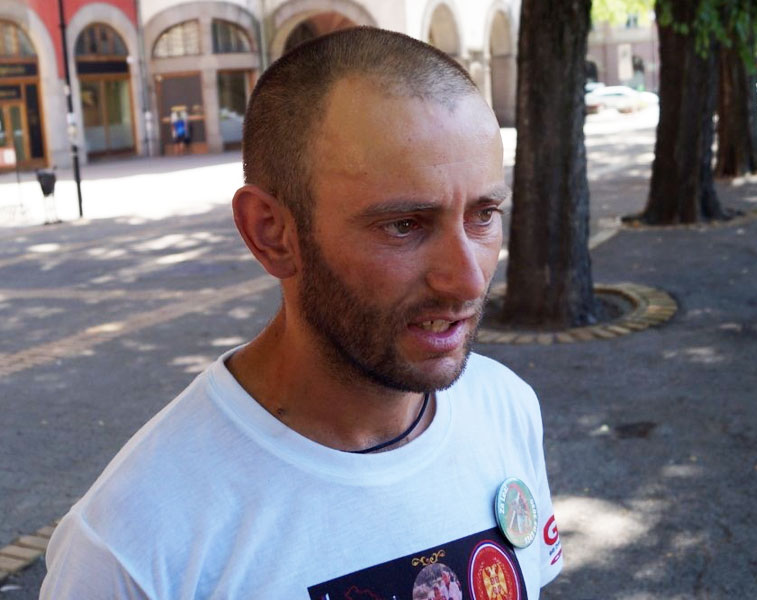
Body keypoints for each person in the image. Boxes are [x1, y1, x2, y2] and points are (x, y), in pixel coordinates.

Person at [41, 27, 563, 599]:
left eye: (483, 215)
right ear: (272, 233)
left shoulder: (506, 407)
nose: (468, 279)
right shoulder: (130, 545)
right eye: (404, 225)